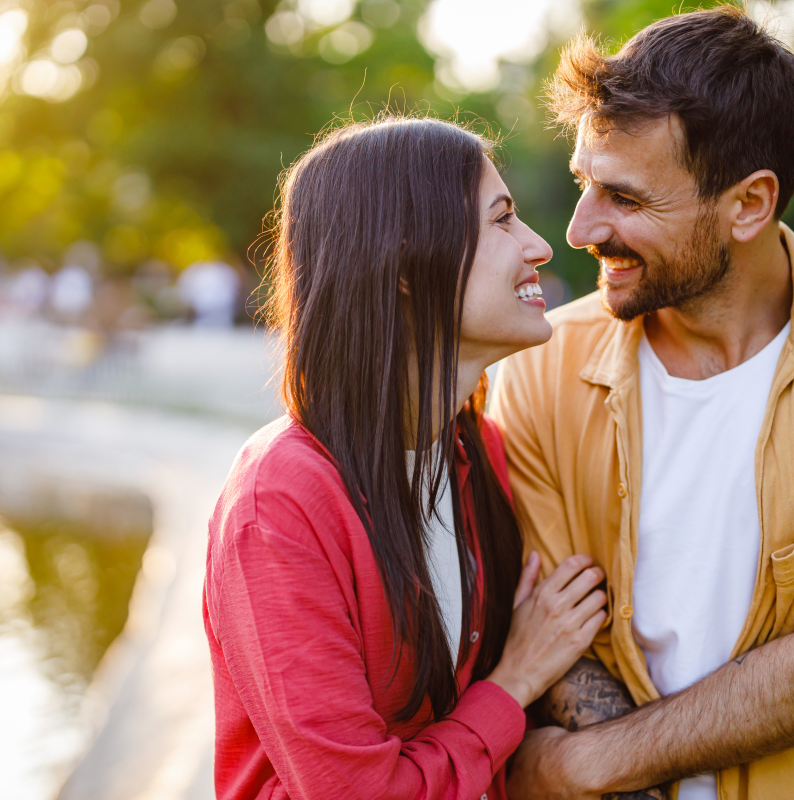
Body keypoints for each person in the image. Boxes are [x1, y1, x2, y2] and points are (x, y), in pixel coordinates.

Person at [491, 8, 794, 800]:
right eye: (584, 182)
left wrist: (584, 767)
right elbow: (557, 639)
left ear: (749, 204)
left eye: (625, 197)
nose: (579, 229)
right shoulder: (543, 362)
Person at [203, 116, 611, 799]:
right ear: (402, 263)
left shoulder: (480, 454)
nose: (539, 245)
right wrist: (514, 682)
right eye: (503, 219)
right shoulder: (279, 502)